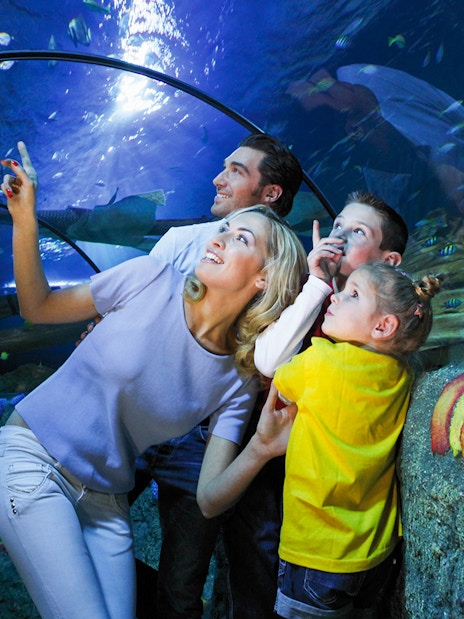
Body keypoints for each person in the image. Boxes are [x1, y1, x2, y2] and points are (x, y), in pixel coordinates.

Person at [0, 142, 308, 619]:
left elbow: (208, 499)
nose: (218, 238)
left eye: (241, 239)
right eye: (224, 230)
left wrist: (263, 447)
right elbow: (37, 308)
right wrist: (25, 218)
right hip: (32, 457)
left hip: (106, 501)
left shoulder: (239, 378)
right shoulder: (148, 275)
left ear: (265, 280)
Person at [198, 262, 442, 619]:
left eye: (354, 294)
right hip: (375, 552)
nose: (338, 296)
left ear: (383, 326)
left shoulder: (320, 364)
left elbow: (271, 366)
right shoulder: (402, 373)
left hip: (316, 554)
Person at [218, 190, 409, 618]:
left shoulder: (388, 332)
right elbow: (267, 359)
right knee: (256, 571)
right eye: (337, 223)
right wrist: (317, 283)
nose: (338, 235)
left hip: (335, 509)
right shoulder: (308, 293)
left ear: (389, 260)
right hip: (274, 460)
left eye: (356, 232)